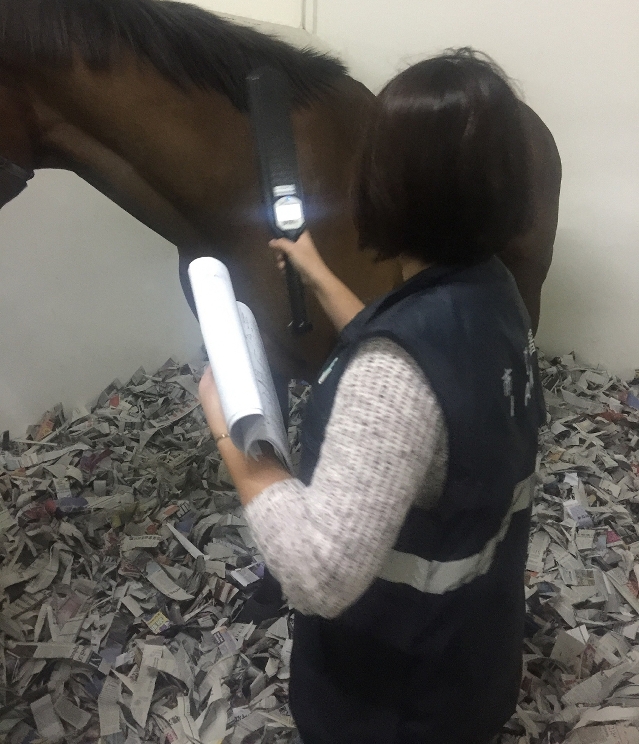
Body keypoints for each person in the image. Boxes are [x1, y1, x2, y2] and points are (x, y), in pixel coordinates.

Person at [198, 48, 544, 744]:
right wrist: (317, 272)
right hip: (473, 658)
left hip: (391, 702)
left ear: (385, 184)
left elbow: (318, 576)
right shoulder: (491, 294)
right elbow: (425, 390)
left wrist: (235, 438)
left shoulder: (395, 370)